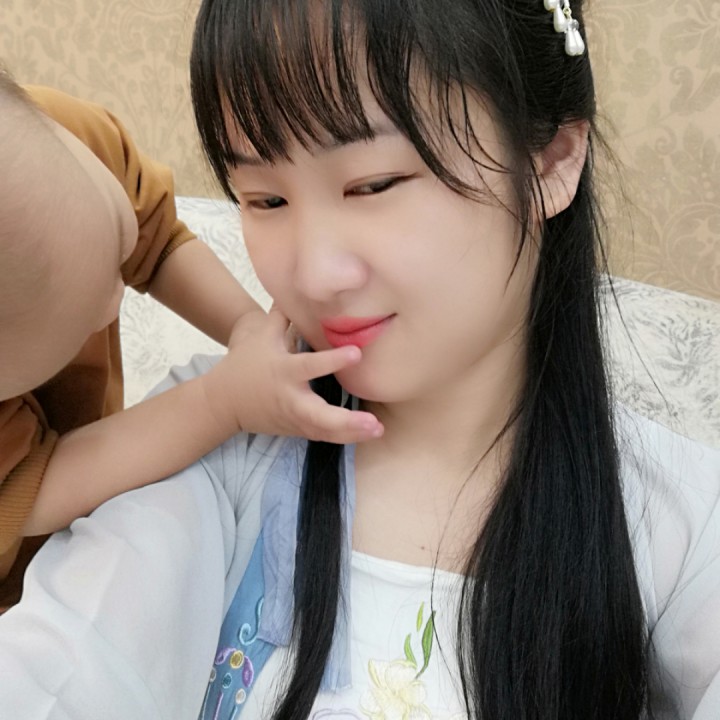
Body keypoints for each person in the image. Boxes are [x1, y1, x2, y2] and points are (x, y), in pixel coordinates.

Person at [1, 0, 719, 718]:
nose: (314, 277)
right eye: (265, 200)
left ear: (553, 159)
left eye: (374, 186)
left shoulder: (684, 528)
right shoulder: (208, 447)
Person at [0, 74, 382, 609]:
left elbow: (158, 246)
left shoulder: (57, 138)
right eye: (78, 324)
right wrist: (221, 401)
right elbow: (42, 481)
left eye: (119, 251)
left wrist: (250, 329)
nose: (115, 303)